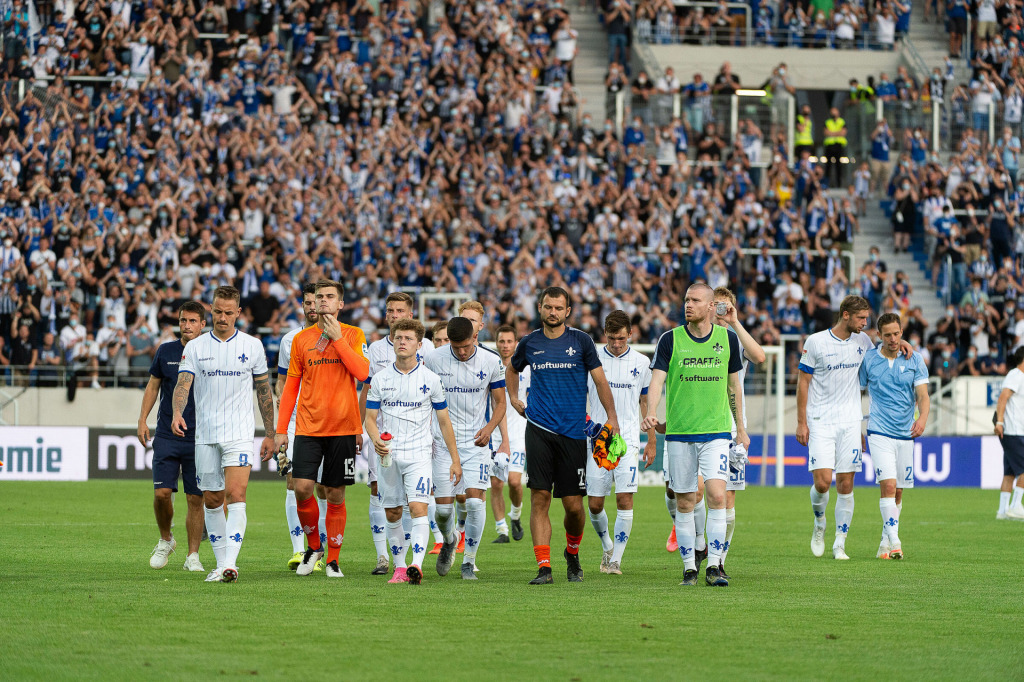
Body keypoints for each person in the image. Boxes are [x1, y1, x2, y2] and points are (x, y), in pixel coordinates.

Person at [507, 286, 620, 585]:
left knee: (574, 506)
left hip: (573, 432)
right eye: (548, 307)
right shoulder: (529, 342)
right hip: (539, 429)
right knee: (540, 497)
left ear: (568, 311)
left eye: (559, 308)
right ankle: (544, 567)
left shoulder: (581, 341)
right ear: (540, 308)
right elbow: (512, 370)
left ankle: (572, 552)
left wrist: (612, 418)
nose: (553, 312)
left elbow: (600, 381)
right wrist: (514, 398)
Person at [642, 283, 749, 587]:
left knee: (717, 495)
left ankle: (714, 566)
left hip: (716, 432)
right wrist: (651, 411)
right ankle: (690, 567)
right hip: (679, 434)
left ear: (711, 306)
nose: (688, 305)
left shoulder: (727, 339)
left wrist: (740, 428)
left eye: (695, 300)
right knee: (686, 502)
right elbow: (657, 381)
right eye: (686, 299)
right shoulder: (670, 339)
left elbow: (733, 386)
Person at [172, 286, 276, 583]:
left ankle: (231, 563)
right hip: (205, 434)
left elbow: (264, 391)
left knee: (236, 494)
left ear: (238, 313)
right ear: (211, 310)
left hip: (239, 433)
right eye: (217, 311)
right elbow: (183, 384)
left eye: (228, 313)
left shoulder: (253, 346)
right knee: (212, 499)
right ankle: (220, 565)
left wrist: (270, 433)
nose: (222, 317)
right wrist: (177, 413)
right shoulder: (195, 347)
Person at [275, 279, 369, 578]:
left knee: (335, 494)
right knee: (302, 488)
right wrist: (280, 429)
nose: (323, 301)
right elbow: (291, 387)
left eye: (330, 296)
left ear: (340, 303)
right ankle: (314, 548)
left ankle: (333, 560)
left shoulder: (354, 334)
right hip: (307, 427)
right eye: (319, 297)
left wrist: (337, 339)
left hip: (342, 428)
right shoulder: (301, 339)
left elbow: (363, 373)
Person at [798, 295, 904, 560]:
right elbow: (803, 382)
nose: (865, 323)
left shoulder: (863, 341)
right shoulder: (816, 342)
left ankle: (839, 543)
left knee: (846, 484)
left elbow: (888, 346)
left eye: (867, 318)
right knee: (823, 483)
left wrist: (905, 343)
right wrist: (801, 422)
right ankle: (819, 522)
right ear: (845, 315)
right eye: (861, 318)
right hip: (820, 420)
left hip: (850, 422)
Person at [364, 318, 462, 585]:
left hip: (419, 455)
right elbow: (370, 419)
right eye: (398, 338)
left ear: (419, 345)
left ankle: (416, 565)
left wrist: (455, 459)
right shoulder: (381, 379)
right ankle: (399, 567)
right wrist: (375, 439)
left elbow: (444, 421)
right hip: (388, 456)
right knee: (393, 512)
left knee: (418, 507)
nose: (402, 342)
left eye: (408, 339)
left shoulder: (430, 379)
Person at [359, 292, 436, 575]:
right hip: (382, 437)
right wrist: (362, 429)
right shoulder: (375, 349)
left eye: (400, 311)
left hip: (418, 437)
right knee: (380, 492)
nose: (394, 315)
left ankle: (413, 558)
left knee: (417, 501)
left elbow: (435, 389)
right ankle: (384, 557)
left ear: (410, 315)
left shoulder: (428, 349)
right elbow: (367, 391)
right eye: (390, 311)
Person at [425, 317, 507, 579]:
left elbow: (500, 402)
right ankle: (450, 539)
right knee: (442, 511)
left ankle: (469, 562)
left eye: (466, 346)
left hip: (476, 443)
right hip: (442, 444)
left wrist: (490, 428)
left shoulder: (491, 361)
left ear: (475, 337)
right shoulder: (433, 359)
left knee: (474, 502)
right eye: (456, 346)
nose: (461, 352)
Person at [137, 300, 207, 572]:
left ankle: (193, 556)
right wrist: (142, 419)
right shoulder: (165, 351)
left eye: (192, 321)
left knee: (195, 499)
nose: (187, 326)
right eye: (183, 320)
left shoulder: (210, 352)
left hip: (199, 436)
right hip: (167, 434)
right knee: (162, 494)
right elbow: (153, 386)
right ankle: (166, 539)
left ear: (202, 324)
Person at [585, 311, 655, 576]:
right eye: (612, 338)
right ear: (605, 334)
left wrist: (651, 440)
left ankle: (615, 560)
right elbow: (580, 396)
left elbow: (645, 402)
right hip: (597, 441)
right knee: (595, 504)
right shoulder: (592, 358)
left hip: (628, 441)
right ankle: (607, 545)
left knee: (625, 499)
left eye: (622, 338)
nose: (616, 344)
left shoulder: (642, 362)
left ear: (631, 334)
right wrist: (587, 424)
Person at [860, 313, 930, 559]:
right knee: (888, 485)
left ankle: (884, 543)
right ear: (879, 335)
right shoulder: (869, 359)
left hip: (905, 433)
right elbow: (856, 393)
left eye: (896, 334)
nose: (892, 339)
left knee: (898, 491)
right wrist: (858, 427)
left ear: (902, 332)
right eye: (887, 335)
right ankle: (896, 541)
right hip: (879, 431)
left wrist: (922, 418)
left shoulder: (915, 359)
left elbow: (923, 395)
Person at [710, 287, 766, 578]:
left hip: (732, 428)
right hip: (700, 425)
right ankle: (695, 544)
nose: (720, 311)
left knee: (728, 499)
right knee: (695, 493)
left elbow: (759, 356)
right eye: (716, 306)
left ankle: (718, 560)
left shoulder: (735, 339)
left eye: (726, 306)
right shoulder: (694, 337)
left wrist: (734, 322)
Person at [277, 283, 328, 570]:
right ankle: (300, 550)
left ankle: (320, 550)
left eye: (316, 302)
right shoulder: (290, 340)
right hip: (297, 420)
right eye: (308, 303)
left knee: (323, 487)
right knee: (294, 482)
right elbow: (282, 381)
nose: (312, 307)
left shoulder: (338, 336)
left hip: (327, 420)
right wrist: (281, 416)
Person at [492, 324, 529, 543]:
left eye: (509, 341)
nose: (505, 346)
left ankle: (515, 515)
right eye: (501, 341)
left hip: (518, 433)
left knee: (514, 482)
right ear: (496, 343)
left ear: (516, 343)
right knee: (496, 484)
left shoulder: (526, 368)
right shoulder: (490, 366)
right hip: (494, 433)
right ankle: (502, 530)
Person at [994, 348, 1024, 520]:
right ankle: (1016, 505)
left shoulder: (1019, 376)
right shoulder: (1016, 375)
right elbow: (1003, 397)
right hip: (1014, 431)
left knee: (1009, 473)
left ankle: (1003, 511)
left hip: (1015, 431)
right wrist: (999, 422)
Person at [823, 107, 848, 187]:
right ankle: (826, 184)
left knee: (839, 166)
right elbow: (826, 132)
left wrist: (831, 133)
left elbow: (843, 133)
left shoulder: (842, 121)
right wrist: (838, 133)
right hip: (829, 146)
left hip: (839, 146)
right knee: (828, 166)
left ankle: (839, 184)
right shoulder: (828, 122)